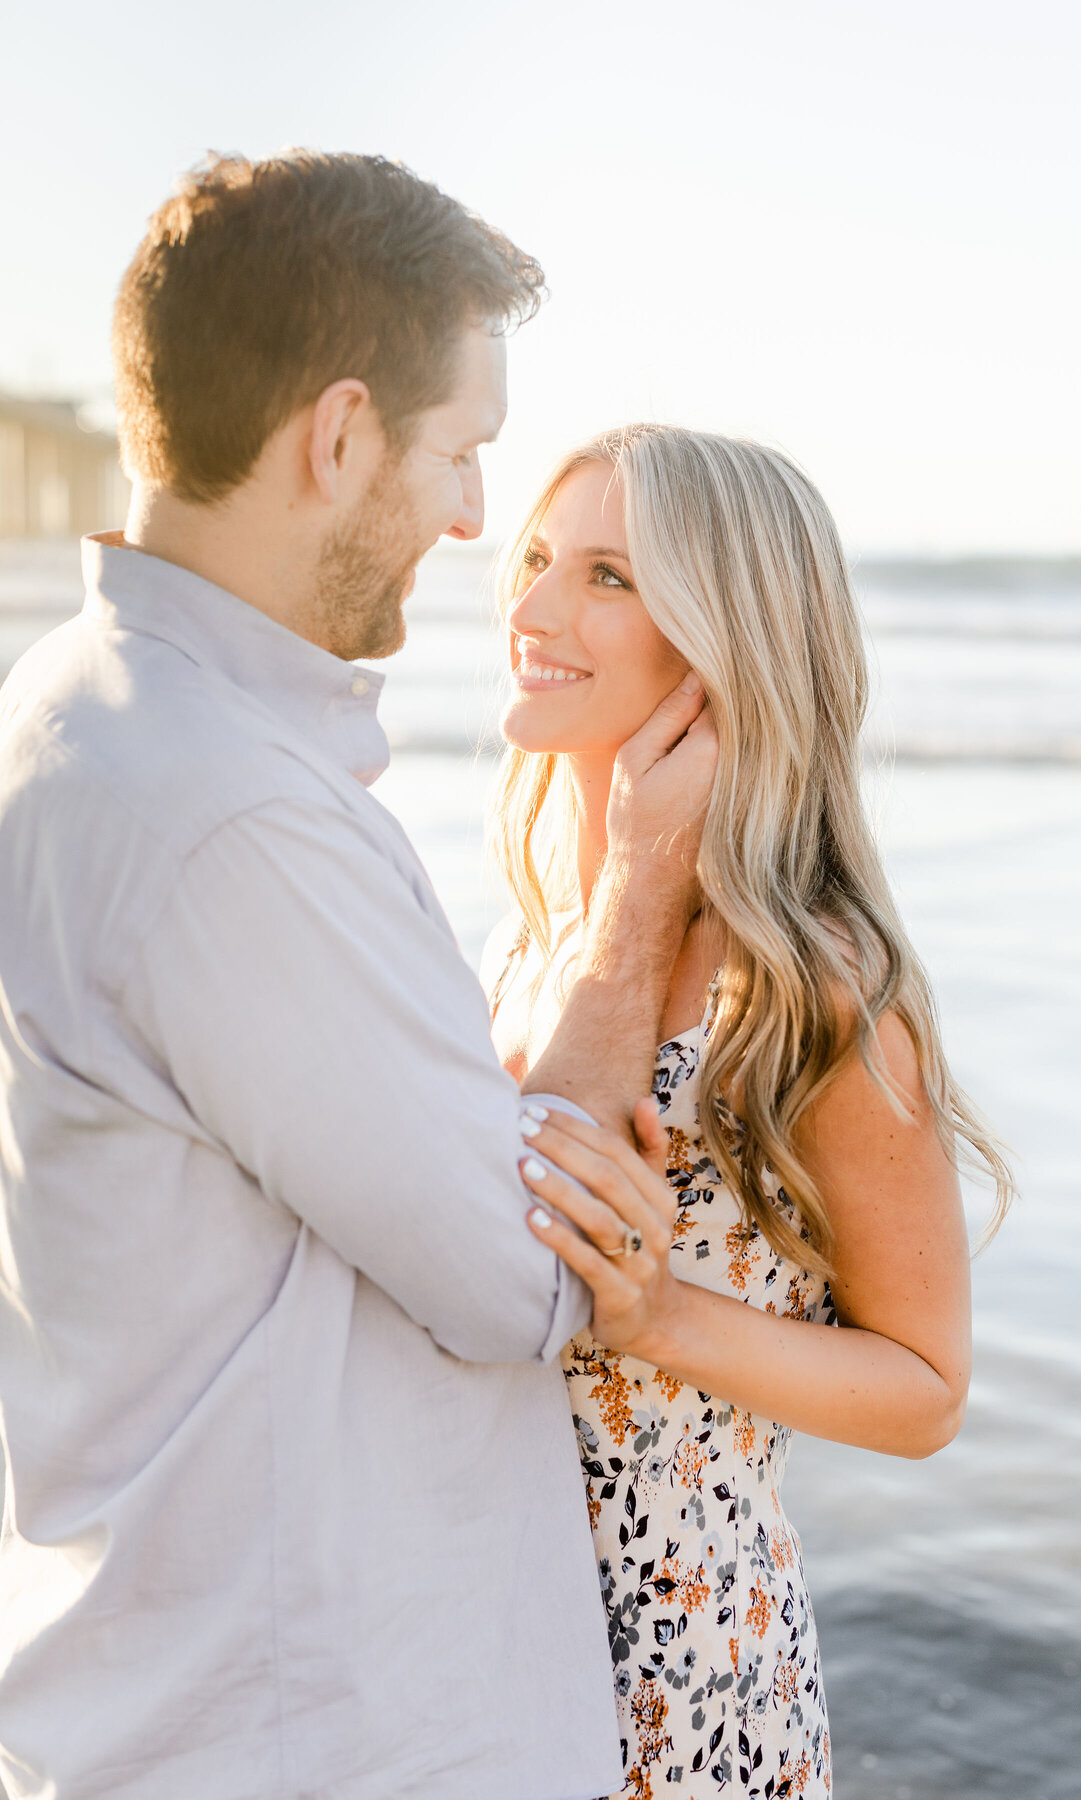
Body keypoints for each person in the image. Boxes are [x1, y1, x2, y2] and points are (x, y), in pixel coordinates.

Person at [0, 158, 717, 1799]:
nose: (477, 519)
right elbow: (525, 1284)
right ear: (337, 437)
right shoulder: (228, 814)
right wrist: (637, 900)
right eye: (461, 453)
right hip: (313, 1740)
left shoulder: (74, 702)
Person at [483, 425, 1014, 1798]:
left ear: (725, 642)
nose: (530, 609)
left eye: (605, 577)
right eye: (539, 560)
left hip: (685, 1672)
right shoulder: (527, 940)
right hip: (479, 1625)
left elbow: (926, 1389)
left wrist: (662, 1318)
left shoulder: (813, 992)